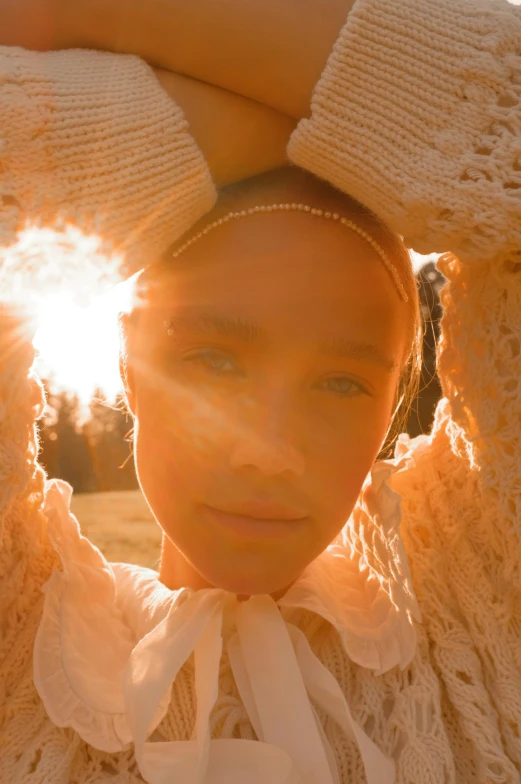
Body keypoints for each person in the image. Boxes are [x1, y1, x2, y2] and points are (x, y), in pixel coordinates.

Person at [0, 0, 520, 782]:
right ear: (128, 365)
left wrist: (97, 14)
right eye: (215, 359)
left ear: (391, 406)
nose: (269, 452)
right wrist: (301, 137)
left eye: (341, 382)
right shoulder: (24, 650)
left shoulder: (479, 618)